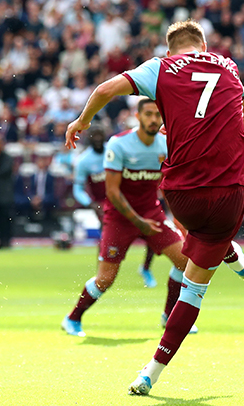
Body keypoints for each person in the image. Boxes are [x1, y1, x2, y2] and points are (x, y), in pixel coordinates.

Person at [65, 20, 244, 396]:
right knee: (196, 280)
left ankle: (224, 251)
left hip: (180, 199)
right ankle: (150, 371)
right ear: (203, 45)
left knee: (192, 243)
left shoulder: (161, 67)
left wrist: (82, 120)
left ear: (170, 51)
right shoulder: (228, 65)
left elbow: (105, 88)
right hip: (228, 196)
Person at [61, 99, 196, 339]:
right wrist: (138, 222)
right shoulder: (119, 144)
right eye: (148, 114)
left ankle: (168, 316)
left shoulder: (165, 144)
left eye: (158, 115)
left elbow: (168, 185)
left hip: (151, 215)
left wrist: (177, 218)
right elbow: (112, 192)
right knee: (105, 279)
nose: (154, 119)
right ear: (138, 116)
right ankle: (72, 319)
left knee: (185, 262)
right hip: (119, 218)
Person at [73, 126, 159, 288]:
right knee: (106, 239)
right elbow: (77, 190)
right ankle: (101, 276)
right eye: (94, 136)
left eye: (100, 135)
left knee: (152, 230)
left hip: (126, 200)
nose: (98, 139)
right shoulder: (84, 161)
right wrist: (90, 203)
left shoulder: (116, 151)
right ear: (89, 138)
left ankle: (146, 268)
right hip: (103, 206)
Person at [0, 134, 14, 249]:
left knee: (5, 219)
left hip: (4, 195)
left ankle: (6, 241)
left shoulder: (7, 158)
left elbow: (3, 172)